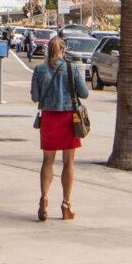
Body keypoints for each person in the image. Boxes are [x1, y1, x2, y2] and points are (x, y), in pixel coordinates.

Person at [31, 35, 89, 221]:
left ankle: (44, 199)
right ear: (63, 51)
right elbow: (84, 93)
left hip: (48, 117)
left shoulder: (39, 70)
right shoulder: (71, 68)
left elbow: (35, 96)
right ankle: (66, 203)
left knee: (47, 161)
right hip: (68, 118)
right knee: (68, 162)